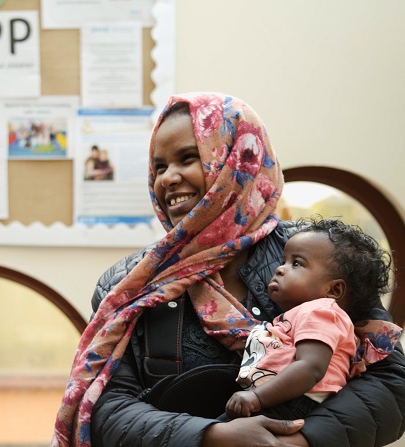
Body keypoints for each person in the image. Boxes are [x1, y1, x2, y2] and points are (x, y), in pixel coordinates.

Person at [52, 92, 405, 447]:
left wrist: (300, 442)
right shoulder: (127, 284)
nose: (168, 178)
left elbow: (389, 384)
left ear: (240, 161)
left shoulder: (319, 255)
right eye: (159, 167)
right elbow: (103, 408)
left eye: (189, 158)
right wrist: (211, 437)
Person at [225, 217, 402, 421]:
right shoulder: (302, 313)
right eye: (283, 261)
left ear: (334, 289)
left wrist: (256, 397)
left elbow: (311, 368)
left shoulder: (321, 312)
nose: (280, 269)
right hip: (284, 398)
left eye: (297, 264)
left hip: (296, 402)